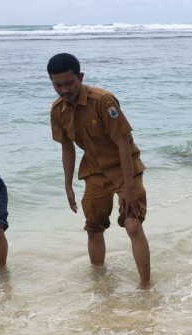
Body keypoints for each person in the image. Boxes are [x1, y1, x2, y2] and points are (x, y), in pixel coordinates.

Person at [47, 53, 151, 287]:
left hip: (126, 168)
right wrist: (68, 185)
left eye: (69, 83)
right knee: (93, 227)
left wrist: (129, 187)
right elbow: (67, 148)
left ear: (80, 77)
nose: (64, 90)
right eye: (58, 85)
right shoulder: (57, 111)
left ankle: (146, 286)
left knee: (133, 224)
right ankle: (100, 284)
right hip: (94, 170)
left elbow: (122, 142)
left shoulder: (103, 101)